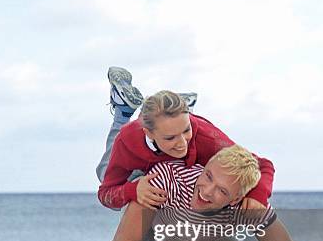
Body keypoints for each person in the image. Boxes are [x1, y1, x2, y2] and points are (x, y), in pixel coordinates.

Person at [108, 145, 307, 241]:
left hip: (210, 237)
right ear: (205, 166)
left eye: (222, 191)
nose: (207, 191)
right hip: (154, 225)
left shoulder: (247, 208)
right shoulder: (166, 179)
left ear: (236, 199)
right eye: (208, 176)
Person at [96, 67, 275, 212]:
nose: (182, 143)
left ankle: (164, 110)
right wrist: (132, 191)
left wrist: (257, 195)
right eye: (171, 137)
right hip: (142, 165)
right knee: (104, 174)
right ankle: (125, 112)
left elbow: (262, 164)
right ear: (149, 133)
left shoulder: (207, 137)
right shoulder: (128, 140)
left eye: (186, 130)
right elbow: (106, 193)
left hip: (178, 161)